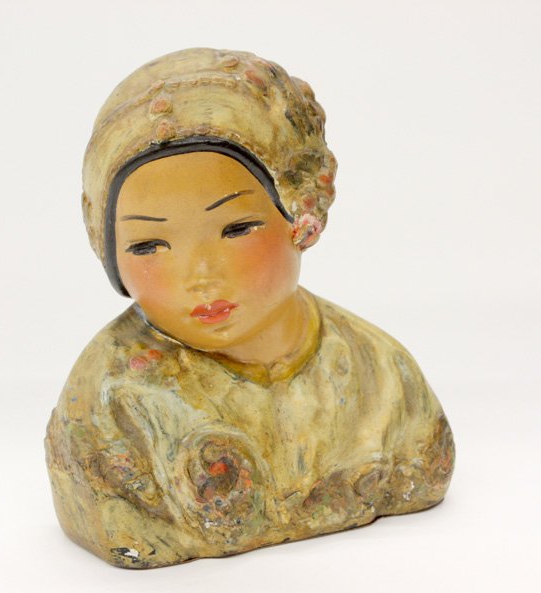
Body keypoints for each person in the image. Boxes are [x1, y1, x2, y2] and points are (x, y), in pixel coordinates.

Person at [45, 48, 455, 569]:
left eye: (236, 229)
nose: (200, 275)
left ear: (301, 215)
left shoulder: (381, 374)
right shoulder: (110, 397)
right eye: (149, 246)